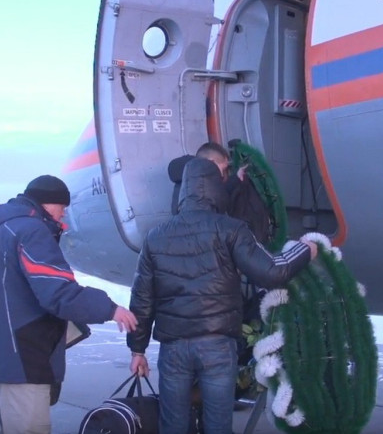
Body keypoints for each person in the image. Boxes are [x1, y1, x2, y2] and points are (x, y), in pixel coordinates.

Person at [127, 157, 318, 434]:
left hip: (173, 349)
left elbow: (142, 299)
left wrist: (137, 350)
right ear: (216, 188)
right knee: (218, 425)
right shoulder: (231, 229)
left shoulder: (156, 237)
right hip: (217, 346)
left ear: (184, 190)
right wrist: (304, 249)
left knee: (173, 424)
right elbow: (272, 271)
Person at [0, 174, 138, 434]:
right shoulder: (32, 231)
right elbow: (59, 292)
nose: (64, 215)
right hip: (22, 360)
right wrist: (110, 308)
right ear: (48, 204)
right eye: (62, 207)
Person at [169, 142, 271, 243]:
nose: (222, 174)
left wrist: (236, 177)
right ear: (211, 162)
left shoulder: (190, 184)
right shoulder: (196, 190)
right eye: (223, 169)